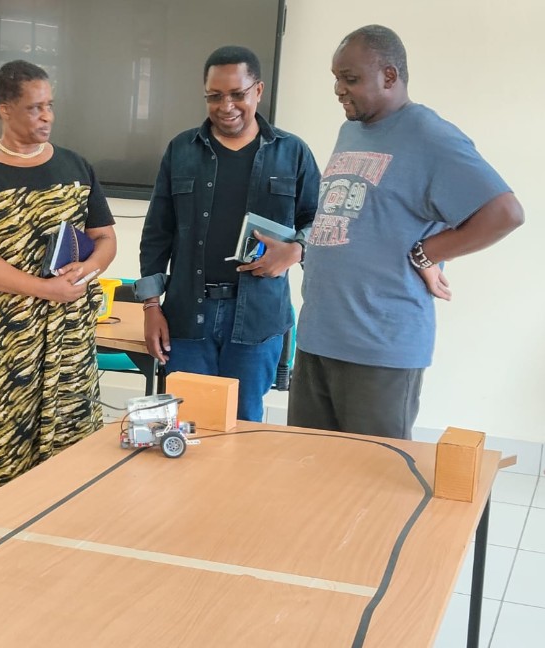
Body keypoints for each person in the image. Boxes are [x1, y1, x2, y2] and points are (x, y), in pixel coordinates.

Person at [288, 25, 524, 439]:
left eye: (351, 79)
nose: (339, 90)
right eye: (336, 79)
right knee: (313, 477)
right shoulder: (352, 129)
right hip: (318, 338)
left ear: (390, 76)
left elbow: (504, 212)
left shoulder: (430, 136)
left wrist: (428, 252)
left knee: (374, 485)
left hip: (378, 347)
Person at [0, 59, 117, 495]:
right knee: (0, 439)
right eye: (34, 108)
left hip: (66, 331)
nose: (47, 116)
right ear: (4, 110)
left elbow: (104, 238)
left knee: (68, 439)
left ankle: (53, 536)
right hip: (1, 333)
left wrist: (87, 270)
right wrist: (42, 288)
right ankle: (0, 537)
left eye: (50, 105)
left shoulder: (76, 166)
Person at [136, 46, 320, 422]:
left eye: (238, 94)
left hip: (258, 319)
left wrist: (296, 251)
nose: (227, 105)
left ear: (258, 91)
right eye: (215, 96)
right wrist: (151, 306)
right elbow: (157, 233)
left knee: (245, 428)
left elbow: (320, 221)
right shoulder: (181, 151)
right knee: (188, 429)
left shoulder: (292, 153)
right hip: (188, 318)